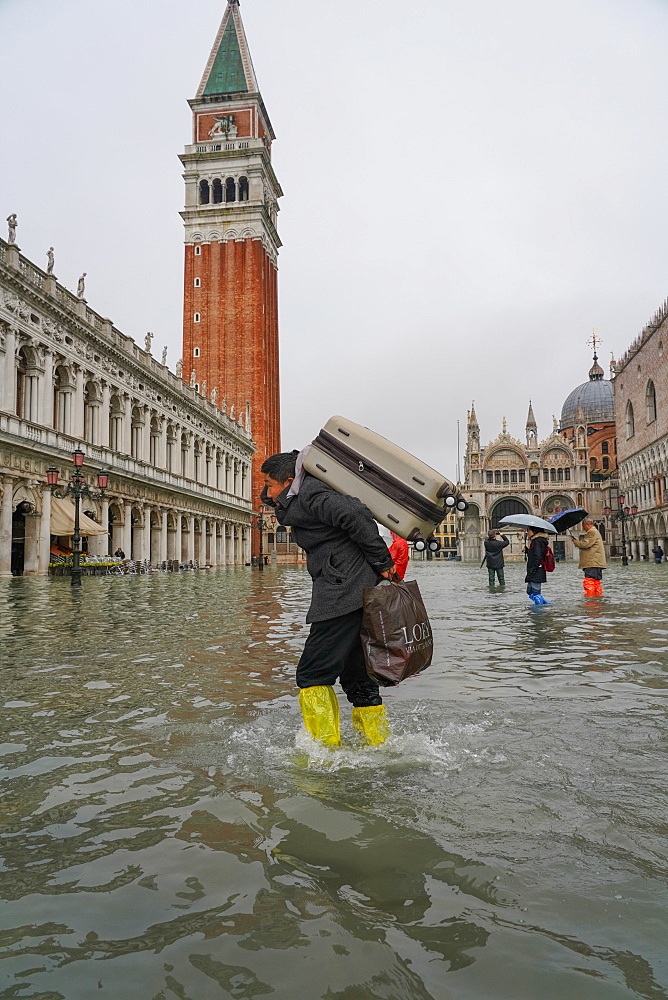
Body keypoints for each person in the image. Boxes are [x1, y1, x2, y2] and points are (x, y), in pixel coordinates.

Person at [261, 450, 397, 748]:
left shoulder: (311, 494)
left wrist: (383, 561)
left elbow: (355, 513)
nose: (267, 493)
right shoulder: (304, 492)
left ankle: (324, 753)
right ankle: (378, 746)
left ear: (288, 481)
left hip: (343, 590)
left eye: (270, 485)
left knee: (312, 673)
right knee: (358, 678)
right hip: (352, 587)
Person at [571, 519, 606, 596]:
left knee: (589, 581)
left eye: (584, 526)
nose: (584, 529)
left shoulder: (592, 532)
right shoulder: (595, 531)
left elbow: (586, 544)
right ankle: (597, 599)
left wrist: (576, 542)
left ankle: (591, 600)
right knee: (596, 581)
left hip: (592, 562)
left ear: (587, 524)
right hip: (596, 562)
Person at [525, 526, 550, 604]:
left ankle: (539, 609)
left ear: (534, 531)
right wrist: (528, 551)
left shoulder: (537, 541)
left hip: (536, 569)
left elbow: (538, 556)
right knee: (530, 591)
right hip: (534, 568)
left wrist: (533, 569)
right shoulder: (536, 541)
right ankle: (542, 603)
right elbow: (535, 554)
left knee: (535, 591)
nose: (527, 532)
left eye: (529, 530)